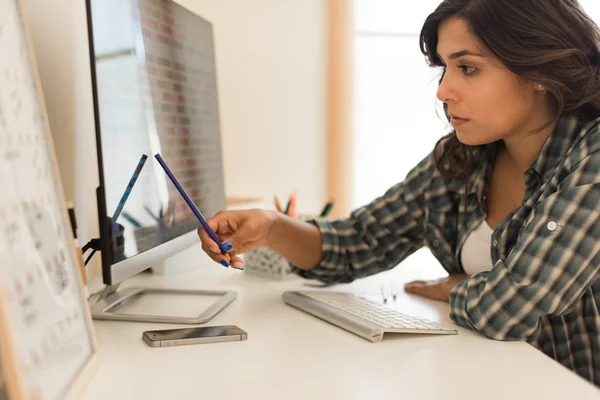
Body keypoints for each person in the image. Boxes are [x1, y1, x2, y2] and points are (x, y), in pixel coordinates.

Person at [198, 0, 600, 386]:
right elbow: (358, 242)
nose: (444, 91)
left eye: (468, 68)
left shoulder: (592, 156)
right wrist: (271, 228)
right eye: (444, 68)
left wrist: (452, 287)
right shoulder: (462, 159)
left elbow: (512, 307)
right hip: (486, 377)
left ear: (538, 69)